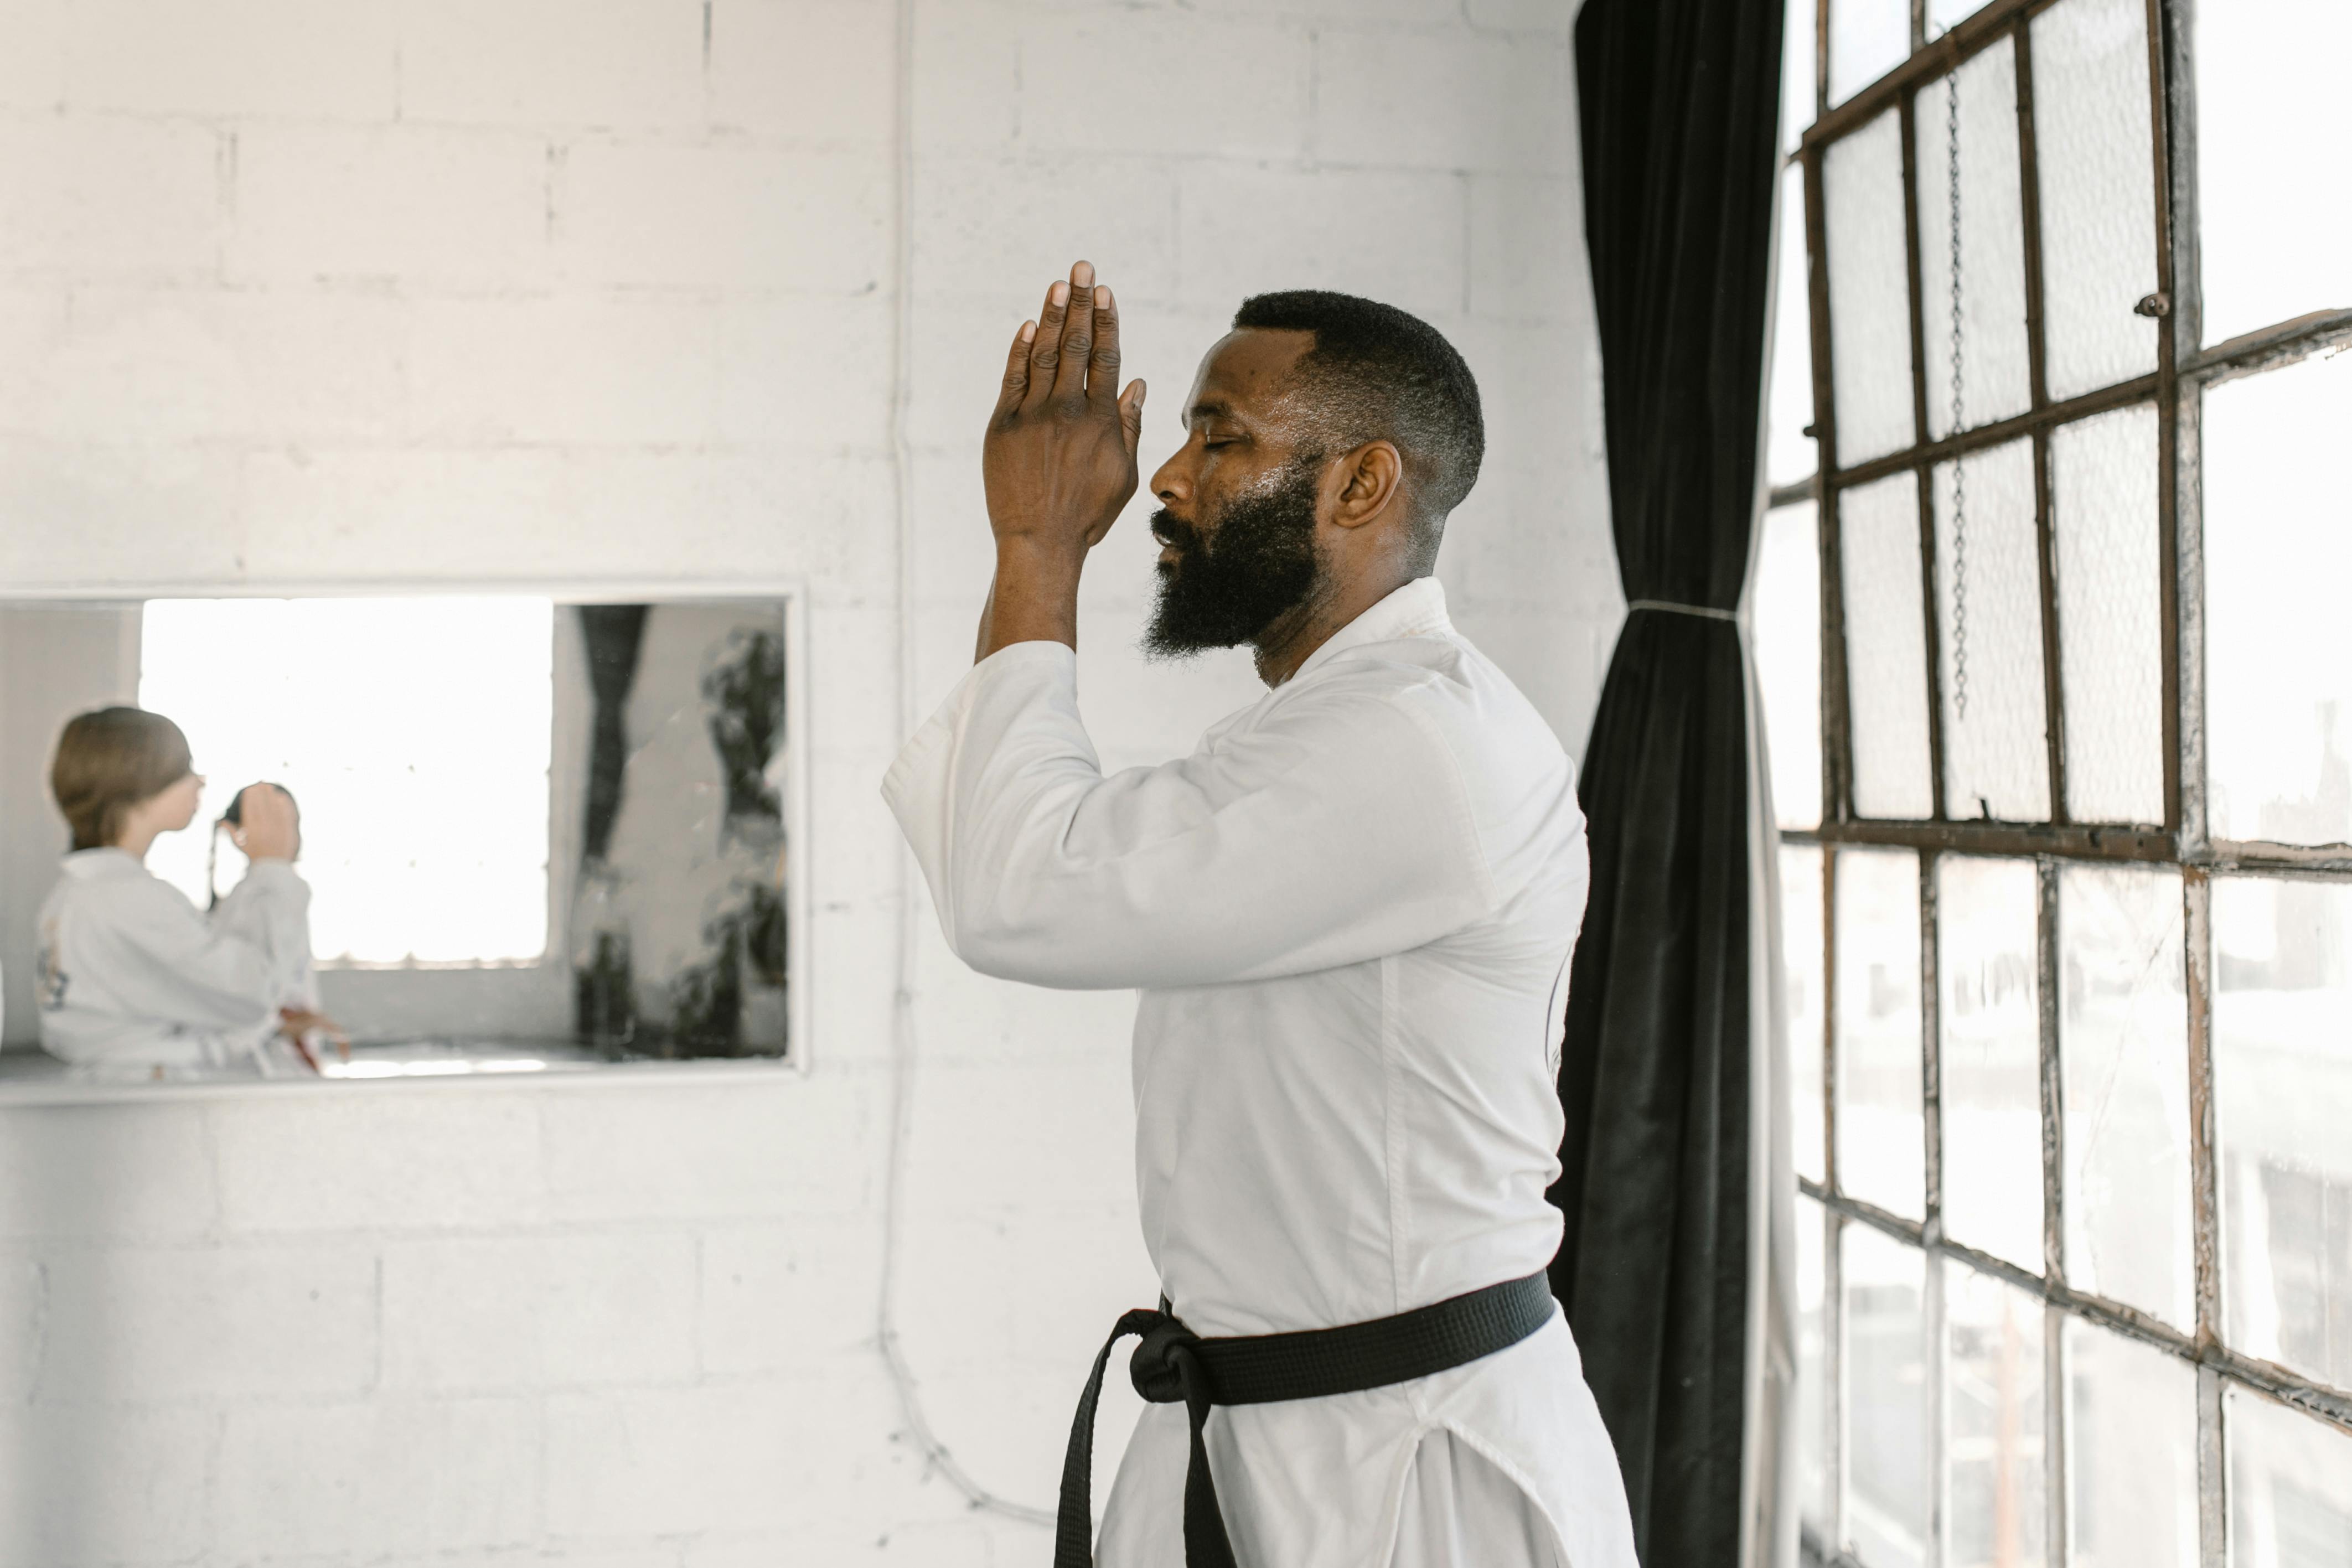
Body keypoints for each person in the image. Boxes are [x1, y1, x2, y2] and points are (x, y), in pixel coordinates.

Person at [882, 262, 1638, 1568]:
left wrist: (1040, 547)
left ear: (1361, 483)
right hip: (1275, 1431)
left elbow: (1021, 889)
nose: (1165, 478)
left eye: (1221, 436)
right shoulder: (1331, 731)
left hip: (1407, 1477)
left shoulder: (1416, 745)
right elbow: (1010, 860)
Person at [35, 707, 340, 1080]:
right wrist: (273, 870)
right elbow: (252, 996)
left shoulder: (80, 893)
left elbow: (188, 996)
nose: (200, 781)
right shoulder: (126, 897)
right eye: (185, 769)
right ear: (141, 785)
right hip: (148, 1097)